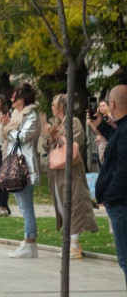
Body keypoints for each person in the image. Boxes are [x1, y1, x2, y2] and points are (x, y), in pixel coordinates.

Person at [46, 94, 99, 259]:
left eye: (54, 104)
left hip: (71, 171)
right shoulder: (56, 123)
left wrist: (57, 136)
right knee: (63, 205)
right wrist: (51, 136)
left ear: (62, 107)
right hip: (57, 170)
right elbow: (46, 145)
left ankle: (75, 245)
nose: (51, 107)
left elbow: (75, 143)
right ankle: (69, 243)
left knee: (74, 203)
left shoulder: (73, 122)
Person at [93, 85, 127, 297]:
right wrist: (100, 125)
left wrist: (109, 195)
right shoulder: (122, 129)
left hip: (121, 203)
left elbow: (122, 168)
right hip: (119, 201)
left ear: (113, 105)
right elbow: (115, 145)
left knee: (126, 260)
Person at [0, 83, 40, 258]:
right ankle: (27, 240)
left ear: (22, 100)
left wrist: (9, 127)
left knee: (26, 207)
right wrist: (6, 126)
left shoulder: (31, 116)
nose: (11, 99)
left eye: (14, 96)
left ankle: (30, 244)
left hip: (24, 166)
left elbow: (22, 137)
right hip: (14, 164)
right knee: (23, 207)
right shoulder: (16, 115)